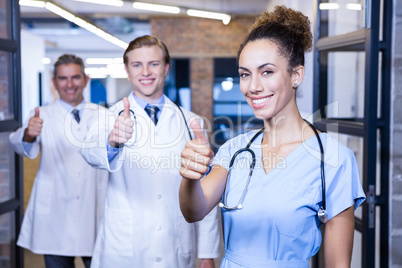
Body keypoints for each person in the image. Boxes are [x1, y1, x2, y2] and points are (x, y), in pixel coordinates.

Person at [179, 5, 366, 268]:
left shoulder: (333, 159)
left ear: (296, 75)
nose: (253, 86)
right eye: (245, 74)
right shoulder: (234, 150)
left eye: (267, 72)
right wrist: (189, 178)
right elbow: (193, 211)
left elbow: (338, 265)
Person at [81, 35, 220, 268]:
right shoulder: (110, 117)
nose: (145, 71)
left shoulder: (190, 122)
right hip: (124, 247)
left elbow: (204, 188)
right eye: (137, 65)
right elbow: (89, 151)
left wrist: (207, 253)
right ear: (127, 70)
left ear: (166, 68)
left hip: (174, 243)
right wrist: (112, 141)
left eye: (153, 64)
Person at [9, 54, 108, 268]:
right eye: (63, 78)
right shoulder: (41, 115)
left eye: (75, 77)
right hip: (55, 214)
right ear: (54, 82)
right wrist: (29, 134)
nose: (70, 84)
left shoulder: (104, 116)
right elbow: (19, 144)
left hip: (94, 212)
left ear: (86, 79)